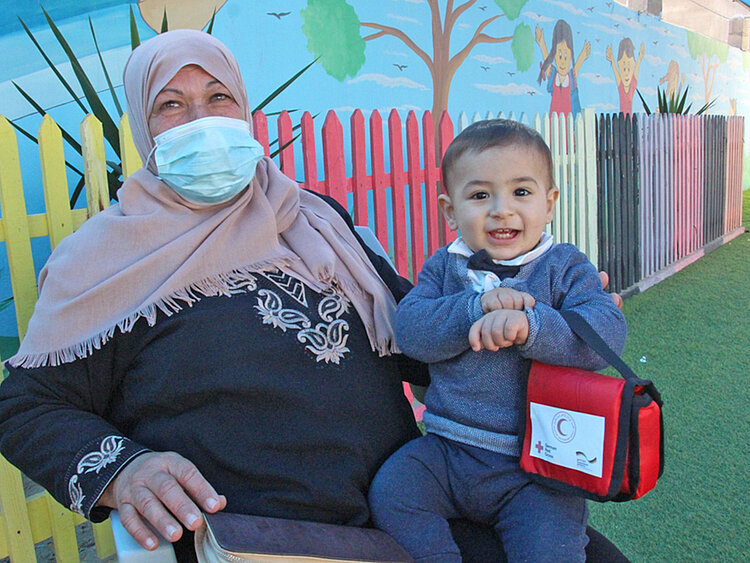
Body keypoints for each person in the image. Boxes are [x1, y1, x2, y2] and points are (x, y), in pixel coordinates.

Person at [0, 31, 626, 562]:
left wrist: (536, 319)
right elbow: (25, 406)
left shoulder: (315, 218)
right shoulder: (105, 262)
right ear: (143, 125)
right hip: (265, 536)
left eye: (219, 98)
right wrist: (123, 470)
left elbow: (413, 329)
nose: (203, 122)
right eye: (172, 105)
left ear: (244, 109)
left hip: (409, 499)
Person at [368, 119, 627, 562]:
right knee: (392, 492)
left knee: (551, 550)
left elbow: (606, 332)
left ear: (550, 204)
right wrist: (474, 308)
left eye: (521, 193)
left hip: (537, 467)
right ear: (450, 211)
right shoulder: (446, 267)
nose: (501, 210)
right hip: (448, 451)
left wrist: (534, 326)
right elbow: (411, 330)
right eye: (480, 195)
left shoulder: (564, 267)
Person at [536, 20, 590, 115]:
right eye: (559, 56)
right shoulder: (553, 75)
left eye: (566, 56)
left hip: (569, 125)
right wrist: (542, 43)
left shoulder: (571, 78)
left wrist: (583, 55)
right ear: (554, 56)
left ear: (570, 55)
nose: (562, 61)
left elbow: (577, 66)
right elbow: (546, 59)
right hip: (554, 124)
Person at [606, 38, 644, 115]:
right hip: (621, 122)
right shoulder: (621, 86)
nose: (626, 73)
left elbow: (637, 68)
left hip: (630, 121)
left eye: (629, 69)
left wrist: (640, 58)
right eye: (623, 69)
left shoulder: (633, 84)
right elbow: (615, 71)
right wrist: (612, 59)